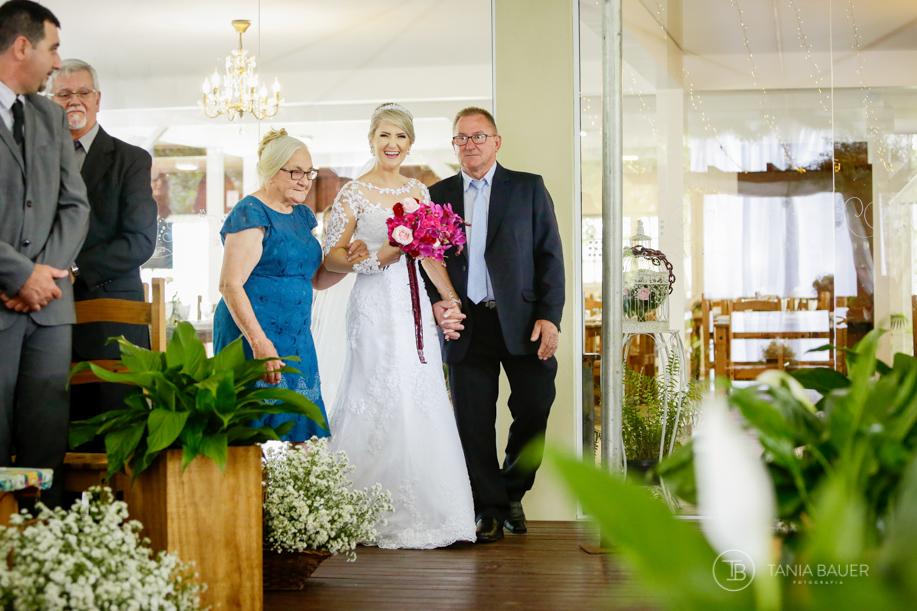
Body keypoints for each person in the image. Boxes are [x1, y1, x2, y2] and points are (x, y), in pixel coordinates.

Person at [322, 102, 475, 549]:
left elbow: (429, 254)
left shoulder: (419, 192)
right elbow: (332, 255)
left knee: (419, 391)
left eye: (401, 137)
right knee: (373, 389)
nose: (393, 144)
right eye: (385, 136)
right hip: (372, 304)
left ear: (410, 143)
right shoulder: (353, 192)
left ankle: (427, 508)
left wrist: (449, 298)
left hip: (412, 307)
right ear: (371, 140)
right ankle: (356, 504)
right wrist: (359, 255)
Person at [427, 107, 565, 543]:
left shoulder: (528, 188)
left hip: (523, 320)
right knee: (471, 420)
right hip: (466, 323)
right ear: (455, 145)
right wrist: (439, 305)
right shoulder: (437, 195)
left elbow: (550, 257)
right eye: (461, 138)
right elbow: (425, 263)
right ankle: (487, 508)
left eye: (478, 136)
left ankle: (511, 491)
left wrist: (549, 316)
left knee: (534, 407)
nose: (470, 144)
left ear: (496, 141)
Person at [213, 128, 365, 441]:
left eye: (308, 172)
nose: (304, 179)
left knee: (301, 432)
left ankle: (296, 491)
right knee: (252, 432)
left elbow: (317, 280)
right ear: (270, 170)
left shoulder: (302, 216)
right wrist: (259, 342)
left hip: (297, 337)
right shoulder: (250, 212)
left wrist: (350, 262)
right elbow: (230, 284)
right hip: (252, 336)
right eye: (295, 171)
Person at [0, 0, 89, 508]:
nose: (57, 62)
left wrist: (45, 276)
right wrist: (18, 275)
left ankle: (45, 557)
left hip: (49, 309)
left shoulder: (50, 117)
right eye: (52, 49)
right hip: (4, 303)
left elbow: (75, 205)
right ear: (21, 46)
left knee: (46, 441)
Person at [48, 59, 157, 442]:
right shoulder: (36, 159)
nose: (73, 100)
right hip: (44, 313)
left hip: (110, 310)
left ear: (97, 100)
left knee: (114, 428)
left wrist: (74, 268)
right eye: (63, 94)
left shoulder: (130, 160)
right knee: (52, 426)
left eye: (81, 93)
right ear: (50, 101)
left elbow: (141, 239)